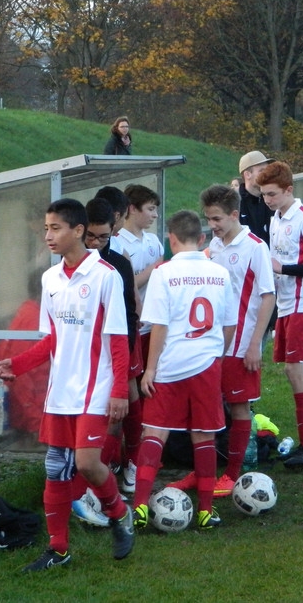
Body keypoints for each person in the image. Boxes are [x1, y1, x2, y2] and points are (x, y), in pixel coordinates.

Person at [0, 198, 134, 571]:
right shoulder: (50, 278)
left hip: (96, 388)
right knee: (56, 468)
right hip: (61, 392)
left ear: (77, 231)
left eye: (55, 228)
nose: (48, 235)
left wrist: (120, 390)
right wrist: (18, 364)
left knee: (88, 464)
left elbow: (118, 342)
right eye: (45, 228)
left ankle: (120, 513)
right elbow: (51, 339)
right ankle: (58, 549)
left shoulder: (106, 276)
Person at [164, 184, 276, 496]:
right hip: (209, 346)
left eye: (216, 219)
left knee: (239, 408)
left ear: (233, 214)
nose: (212, 225)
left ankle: (232, 474)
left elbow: (268, 297)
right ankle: (201, 474)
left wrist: (255, 343)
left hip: (240, 346)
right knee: (203, 411)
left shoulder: (256, 247)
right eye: (208, 219)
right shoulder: (213, 247)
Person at [130, 210, 236, 530]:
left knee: (154, 433)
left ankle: (139, 508)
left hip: (172, 365)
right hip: (206, 364)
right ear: (202, 239)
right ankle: (205, 510)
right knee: (203, 437)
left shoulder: (164, 273)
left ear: (171, 240)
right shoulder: (220, 273)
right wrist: (218, 355)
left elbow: (159, 325)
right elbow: (229, 324)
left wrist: (150, 370)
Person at [256, 160, 303, 468]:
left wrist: (284, 268)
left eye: (272, 194)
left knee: (295, 370)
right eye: (264, 195)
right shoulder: (276, 218)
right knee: (292, 371)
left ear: (289, 190)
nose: (268, 200)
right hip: (286, 303)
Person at [70, 197, 141, 527]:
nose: (97, 244)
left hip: (117, 348)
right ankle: (93, 481)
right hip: (82, 354)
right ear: (81, 231)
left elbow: (129, 312)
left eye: (103, 238)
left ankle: (123, 469)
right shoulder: (65, 267)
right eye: (91, 238)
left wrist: (125, 353)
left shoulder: (119, 266)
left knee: (120, 408)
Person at [107, 184, 163, 493]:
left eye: (156, 209)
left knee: (145, 388)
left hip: (150, 326)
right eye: (150, 209)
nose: (154, 215)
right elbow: (132, 281)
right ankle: (122, 458)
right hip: (130, 325)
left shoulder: (153, 241)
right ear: (131, 210)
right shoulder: (118, 242)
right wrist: (155, 269)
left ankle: (143, 453)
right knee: (128, 390)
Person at [238, 150, 276, 245]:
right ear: (247, 174)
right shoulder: (235, 203)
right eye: (262, 171)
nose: (267, 175)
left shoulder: (273, 199)